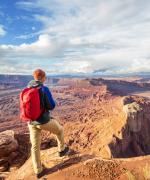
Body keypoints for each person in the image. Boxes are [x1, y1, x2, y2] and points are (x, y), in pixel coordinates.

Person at [26, 69, 69, 178]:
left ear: (34, 77)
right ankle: (62, 150)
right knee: (60, 130)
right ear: (43, 78)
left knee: (35, 146)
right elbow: (51, 106)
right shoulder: (44, 89)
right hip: (43, 121)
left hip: (31, 122)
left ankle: (38, 171)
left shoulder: (27, 88)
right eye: (45, 77)